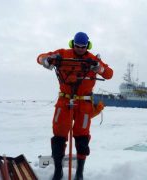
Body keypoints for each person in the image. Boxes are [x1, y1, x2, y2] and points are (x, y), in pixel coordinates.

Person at [37, 32, 113, 180]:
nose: (79, 49)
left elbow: (109, 74)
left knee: (82, 138)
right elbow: (40, 58)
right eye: (77, 46)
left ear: (87, 46)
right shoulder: (62, 54)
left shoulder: (92, 59)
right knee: (59, 137)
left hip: (84, 105)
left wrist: (100, 68)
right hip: (64, 102)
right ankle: (58, 172)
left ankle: (79, 173)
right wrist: (47, 60)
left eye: (83, 47)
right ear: (73, 44)